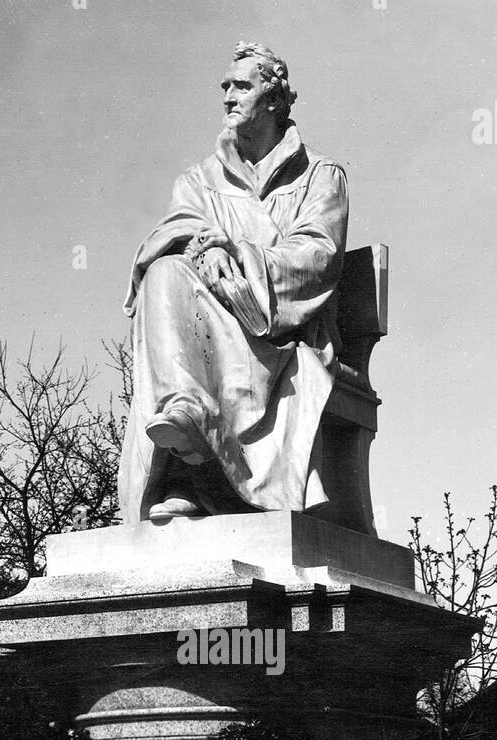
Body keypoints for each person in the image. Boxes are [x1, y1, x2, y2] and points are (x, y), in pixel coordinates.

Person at [119, 41, 349, 521]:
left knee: (206, 311)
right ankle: (189, 419)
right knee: (163, 271)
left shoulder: (320, 176)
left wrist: (238, 257)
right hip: (208, 323)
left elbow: (318, 256)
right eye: (223, 86)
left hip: (278, 330)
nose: (227, 97)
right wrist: (205, 248)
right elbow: (165, 238)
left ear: (274, 99)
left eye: (241, 85)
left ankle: (195, 476)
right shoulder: (197, 180)